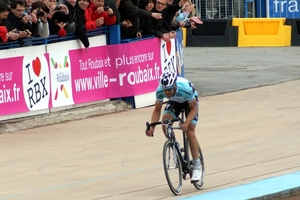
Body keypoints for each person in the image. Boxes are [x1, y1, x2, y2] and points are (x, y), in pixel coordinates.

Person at [145, 71, 202, 182]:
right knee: (165, 123)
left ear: (174, 86)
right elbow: (157, 110)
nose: (167, 92)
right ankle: (175, 146)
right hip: (176, 102)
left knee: (190, 131)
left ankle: (196, 165)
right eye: (165, 90)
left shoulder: (185, 88)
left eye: (169, 90)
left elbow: (193, 109)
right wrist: (152, 127)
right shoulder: (160, 91)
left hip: (190, 102)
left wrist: (185, 124)